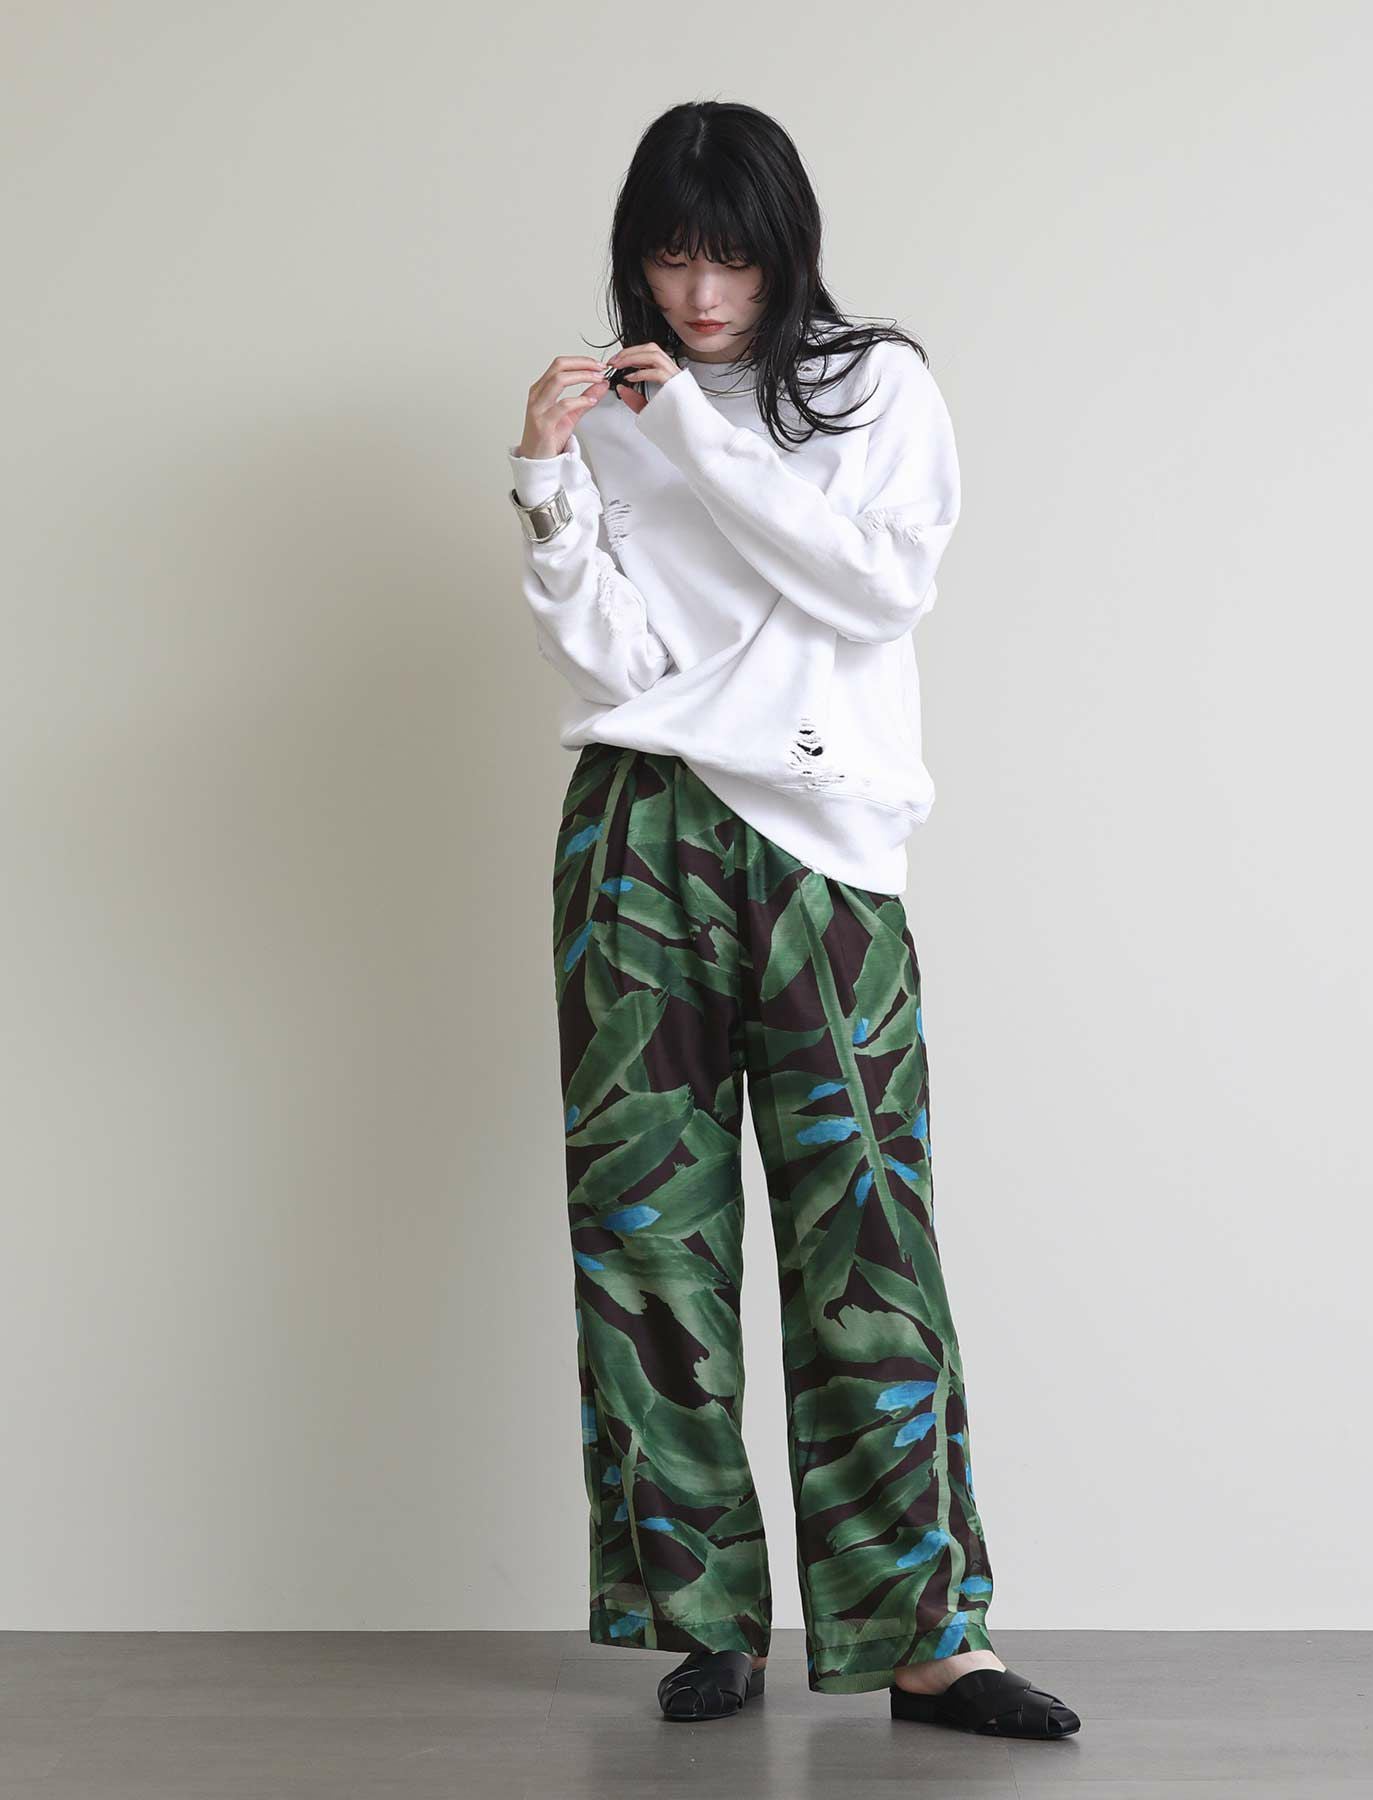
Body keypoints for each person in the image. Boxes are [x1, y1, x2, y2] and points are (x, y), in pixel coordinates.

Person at [506, 99, 1081, 1743]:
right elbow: (613, 659)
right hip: (638, 833)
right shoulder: (612, 411)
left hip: (825, 850)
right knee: (645, 1239)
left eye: (733, 259)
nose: (701, 296)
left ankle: (928, 1641)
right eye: (671, 259)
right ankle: (705, 1619)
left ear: (785, 250)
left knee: (867, 1241)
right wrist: (546, 478)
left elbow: (875, 587)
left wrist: (697, 436)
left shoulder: (872, 387)